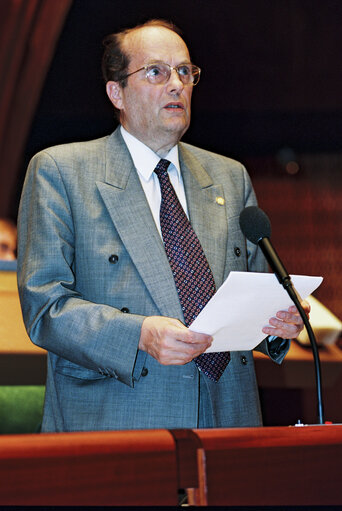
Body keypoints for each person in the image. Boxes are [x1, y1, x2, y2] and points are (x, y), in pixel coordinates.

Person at [17, 19, 308, 432]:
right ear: (116, 92)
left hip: (228, 420)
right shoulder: (62, 172)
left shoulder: (229, 176)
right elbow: (45, 307)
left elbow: (250, 294)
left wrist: (278, 324)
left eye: (185, 71)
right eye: (157, 71)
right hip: (119, 418)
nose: (177, 84)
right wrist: (138, 334)